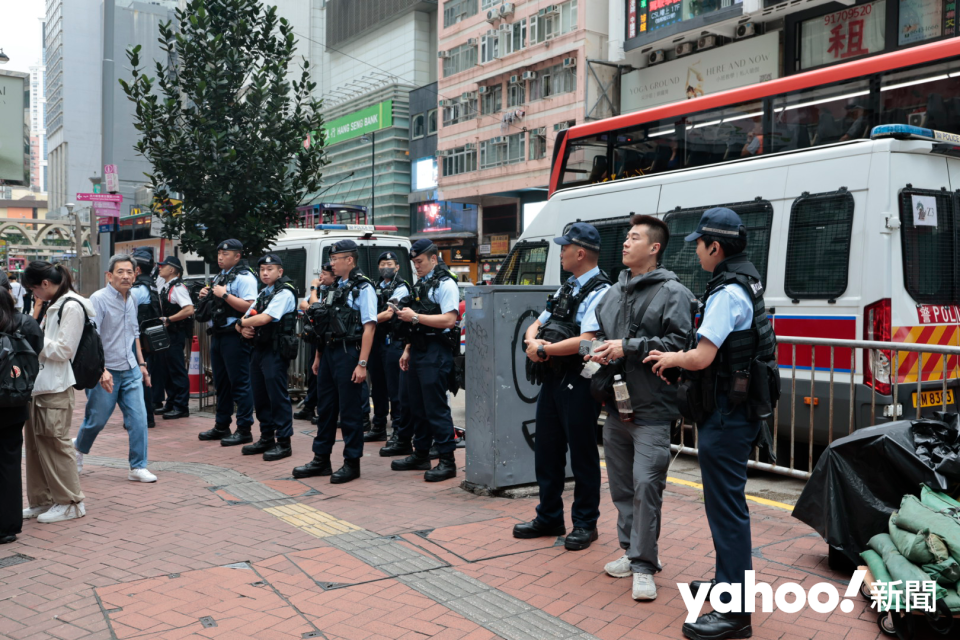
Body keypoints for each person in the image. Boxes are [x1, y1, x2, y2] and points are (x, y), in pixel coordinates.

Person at [645, 207, 777, 640]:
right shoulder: (746, 279)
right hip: (734, 410)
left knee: (727, 511)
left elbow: (702, 356)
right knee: (726, 506)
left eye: (699, 245)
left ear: (715, 247)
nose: (697, 253)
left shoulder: (727, 292)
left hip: (726, 414)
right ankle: (726, 584)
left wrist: (670, 358)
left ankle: (735, 614)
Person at [589, 215, 695, 601]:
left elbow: (680, 344)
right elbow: (602, 334)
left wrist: (627, 347)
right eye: (626, 237)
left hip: (653, 409)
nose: (625, 243)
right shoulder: (612, 293)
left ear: (654, 248)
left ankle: (644, 566)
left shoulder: (674, 293)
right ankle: (631, 552)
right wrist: (600, 350)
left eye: (634, 238)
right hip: (617, 407)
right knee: (620, 487)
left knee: (647, 486)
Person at [514, 223, 610, 550]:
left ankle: (585, 523)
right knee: (548, 451)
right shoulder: (567, 286)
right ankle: (549, 516)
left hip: (581, 379)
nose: (561, 252)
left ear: (580, 253)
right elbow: (538, 322)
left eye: (565, 247)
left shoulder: (601, 291)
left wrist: (543, 349)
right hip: (553, 376)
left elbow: (589, 344)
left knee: (582, 455)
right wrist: (532, 341)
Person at [293, 240, 376, 483]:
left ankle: (352, 463)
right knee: (326, 408)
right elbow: (325, 325)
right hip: (329, 353)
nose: (331, 263)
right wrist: (318, 357)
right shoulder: (334, 286)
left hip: (349, 353)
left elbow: (370, 327)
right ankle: (321, 459)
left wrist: (362, 364)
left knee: (350, 411)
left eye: (335, 259)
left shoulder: (363, 288)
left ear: (349, 260)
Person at [74, 254, 157, 483]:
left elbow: (135, 334)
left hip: (130, 369)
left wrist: (141, 365)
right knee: (96, 420)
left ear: (135, 274)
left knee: (139, 419)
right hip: (106, 371)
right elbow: (92, 338)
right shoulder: (98, 299)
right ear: (109, 275)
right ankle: (78, 449)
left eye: (130, 272)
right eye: (120, 271)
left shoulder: (131, 299)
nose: (126, 276)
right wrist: (101, 370)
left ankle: (138, 466)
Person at [21, 262, 92, 525]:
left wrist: (33, 338)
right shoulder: (57, 304)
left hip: (57, 385)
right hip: (41, 384)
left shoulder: (71, 305)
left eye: (33, 289)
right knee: (37, 447)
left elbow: (64, 350)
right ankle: (42, 500)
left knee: (56, 445)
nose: (34, 295)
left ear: (46, 284)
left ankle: (71, 502)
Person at [391, 239, 462, 482]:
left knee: (435, 407)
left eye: (420, 261)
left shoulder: (446, 283)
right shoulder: (421, 284)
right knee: (415, 405)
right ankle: (420, 453)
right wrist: (408, 349)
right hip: (419, 349)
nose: (416, 266)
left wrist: (415, 317)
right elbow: (415, 323)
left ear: (434, 258)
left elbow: (449, 320)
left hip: (436, 350)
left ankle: (447, 460)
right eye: (414, 262)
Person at [236, 253, 297, 461]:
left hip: (276, 351)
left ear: (280, 271)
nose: (265, 272)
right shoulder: (264, 293)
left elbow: (265, 318)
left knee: (277, 396)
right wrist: (241, 327)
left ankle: (284, 442)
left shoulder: (285, 292)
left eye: (269, 269)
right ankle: (266, 437)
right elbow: (246, 316)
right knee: (260, 395)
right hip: (259, 349)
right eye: (262, 269)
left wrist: (242, 324)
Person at [196, 239, 258, 444]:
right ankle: (221, 425)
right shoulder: (220, 276)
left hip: (235, 334)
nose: (220, 258)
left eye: (226, 254)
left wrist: (225, 295)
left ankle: (244, 429)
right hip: (219, 334)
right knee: (221, 384)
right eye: (219, 254)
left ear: (237, 256)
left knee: (240, 383)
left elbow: (249, 306)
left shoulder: (245, 277)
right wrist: (206, 294)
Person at [0, 272, 44, 541]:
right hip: (14, 403)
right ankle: (8, 527)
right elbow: (35, 356)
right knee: (9, 462)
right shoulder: (25, 323)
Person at [364, 251, 411, 443]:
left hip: (393, 342)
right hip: (376, 341)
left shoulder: (401, 287)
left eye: (389, 263)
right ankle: (379, 426)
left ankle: (399, 429)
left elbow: (390, 313)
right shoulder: (374, 287)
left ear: (397, 267)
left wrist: (366, 321)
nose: (386, 267)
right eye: (382, 264)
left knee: (395, 388)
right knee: (377, 387)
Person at [155, 256, 194, 420]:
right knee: (168, 369)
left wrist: (169, 320)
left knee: (177, 370)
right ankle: (171, 403)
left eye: (163, 266)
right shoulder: (167, 286)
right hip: (169, 335)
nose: (159, 268)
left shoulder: (177, 287)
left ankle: (181, 406)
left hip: (176, 334)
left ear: (172, 269)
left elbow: (189, 309)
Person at [130, 249, 162, 429]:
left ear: (137, 269)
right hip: (149, 339)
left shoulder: (137, 290)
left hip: (140, 341)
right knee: (144, 378)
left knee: (140, 379)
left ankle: (145, 417)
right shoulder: (151, 285)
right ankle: (146, 416)